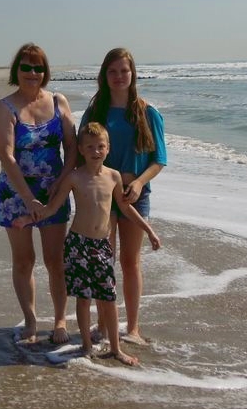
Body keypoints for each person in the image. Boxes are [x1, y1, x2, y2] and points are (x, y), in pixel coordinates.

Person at [15, 122, 160, 366]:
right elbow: (53, 207)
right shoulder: (74, 177)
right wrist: (29, 218)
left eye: (100, 146)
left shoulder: (113, 176)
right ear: (81, 149)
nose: (96, 151)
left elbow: (126, 208)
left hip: (102, 245)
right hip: (78, 245)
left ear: (108, 148)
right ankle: (86, 346)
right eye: (90, 147)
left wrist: (149, 231)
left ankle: (115, 349)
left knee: (108, 298)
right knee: (83, 299)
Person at [0, 43, 77, 345]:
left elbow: (73, 148)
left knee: (56, 261)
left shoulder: (58, 101)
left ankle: (60, 320)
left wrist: (61, 183)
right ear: (17, 70)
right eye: (26, 67)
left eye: (38, 67)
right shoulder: (5, 107)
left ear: (45, 71)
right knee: (24, 260)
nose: (32, 73)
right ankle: (30, 320)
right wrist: (28, 198)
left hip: (53, 193)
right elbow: (7, 156)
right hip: (16, 194)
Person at [80, 47, 167, 345]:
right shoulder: (95, 112)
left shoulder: (147, 112)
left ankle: (132, 328)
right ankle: (104, 325)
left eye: (124, 71)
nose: (119, 76)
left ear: (133, 74)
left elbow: (159, 160)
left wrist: (140, 182)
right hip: (102, 197)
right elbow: (80, 151)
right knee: (104, 262)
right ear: (104, 75)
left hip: (134, 196)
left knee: (130, 262)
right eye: (113, 71)